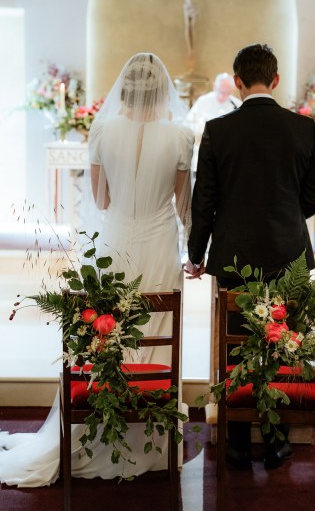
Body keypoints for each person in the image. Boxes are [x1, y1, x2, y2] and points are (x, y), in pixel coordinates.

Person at [0, 53, 194, 487]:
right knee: (157, 336)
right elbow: (184, 208)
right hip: (161, 245)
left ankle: (100, 430)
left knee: (107, 333)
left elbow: (101, 201)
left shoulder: (103, 130)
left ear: (123, 91)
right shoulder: (182, 136)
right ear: (164, 93)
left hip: (117, 240)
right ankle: (155, 446)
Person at [185, 43, 315, 470]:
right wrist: (284, 216)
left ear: (239, 82)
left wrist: (196, 255)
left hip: (234, 255)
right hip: (290, 258)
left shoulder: (218, 129)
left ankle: (236, 443)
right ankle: (277, 439)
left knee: (235, 347)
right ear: (276, 80)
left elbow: (203, 201)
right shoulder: (302, 128)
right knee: (282, 345)